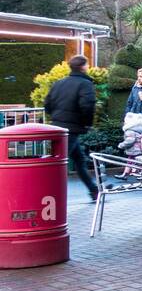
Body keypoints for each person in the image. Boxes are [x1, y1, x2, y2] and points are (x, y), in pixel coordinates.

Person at [45, 55, 99, 201]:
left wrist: (56, 116)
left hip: (57, 125)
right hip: (72, 127)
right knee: (59, 164)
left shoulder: (59, 83)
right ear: (83, 67)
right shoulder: (85, 84)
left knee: (78, 159)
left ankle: (93, 190)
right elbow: (88, 106)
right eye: (87, 65)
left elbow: (47, 104)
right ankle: (45, 193)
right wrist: (86, 123)